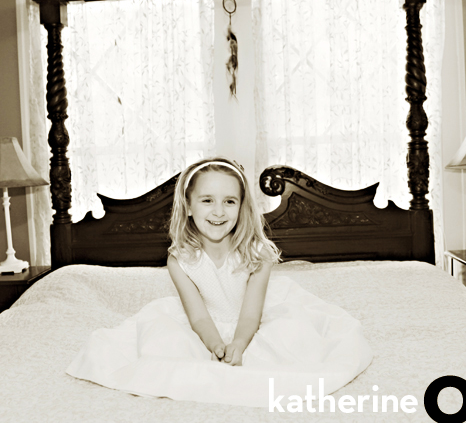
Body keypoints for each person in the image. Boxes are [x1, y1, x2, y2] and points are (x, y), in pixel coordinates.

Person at [66, 157, 373, 407]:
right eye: (207, 200)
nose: (218, 211)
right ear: (189, 206)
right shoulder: (180, 260)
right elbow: (198, 316)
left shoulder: (257, 254)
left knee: (296, 342)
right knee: (162, 349)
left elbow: (251, 314)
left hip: (251, 321)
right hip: (204, 325)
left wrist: (238, 344)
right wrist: (215, 344)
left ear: (241, 207)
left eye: (229, 201)